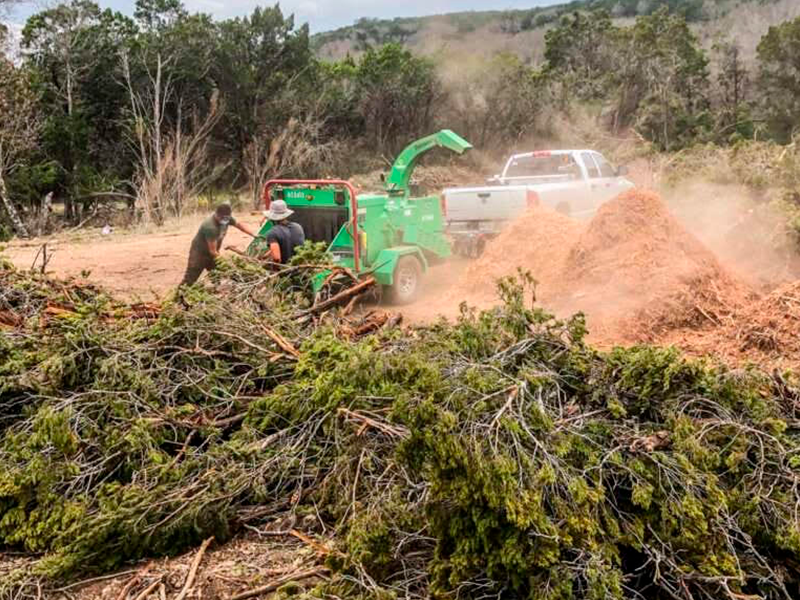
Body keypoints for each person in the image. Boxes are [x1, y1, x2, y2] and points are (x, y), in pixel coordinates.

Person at [180, 203, 257, 286]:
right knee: (190, 279)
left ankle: (217, 290)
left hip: (213, 253)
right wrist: (226, 261)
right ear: (216, 214)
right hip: (199, 254)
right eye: (222, 218)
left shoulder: (226, 218)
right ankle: (179, 296)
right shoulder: (210, 226)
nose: (225, 221)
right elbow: (212, 251)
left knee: (218, 273)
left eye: (227, 218)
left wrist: (253, 234)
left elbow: (238, 225)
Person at [263, 200, 305, 264]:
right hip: (300, 267)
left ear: (271, 217)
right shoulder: (298, 227)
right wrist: (265, 256)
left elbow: (277, 258)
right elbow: (287, 244)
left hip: (285, 269)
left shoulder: (272, 233)